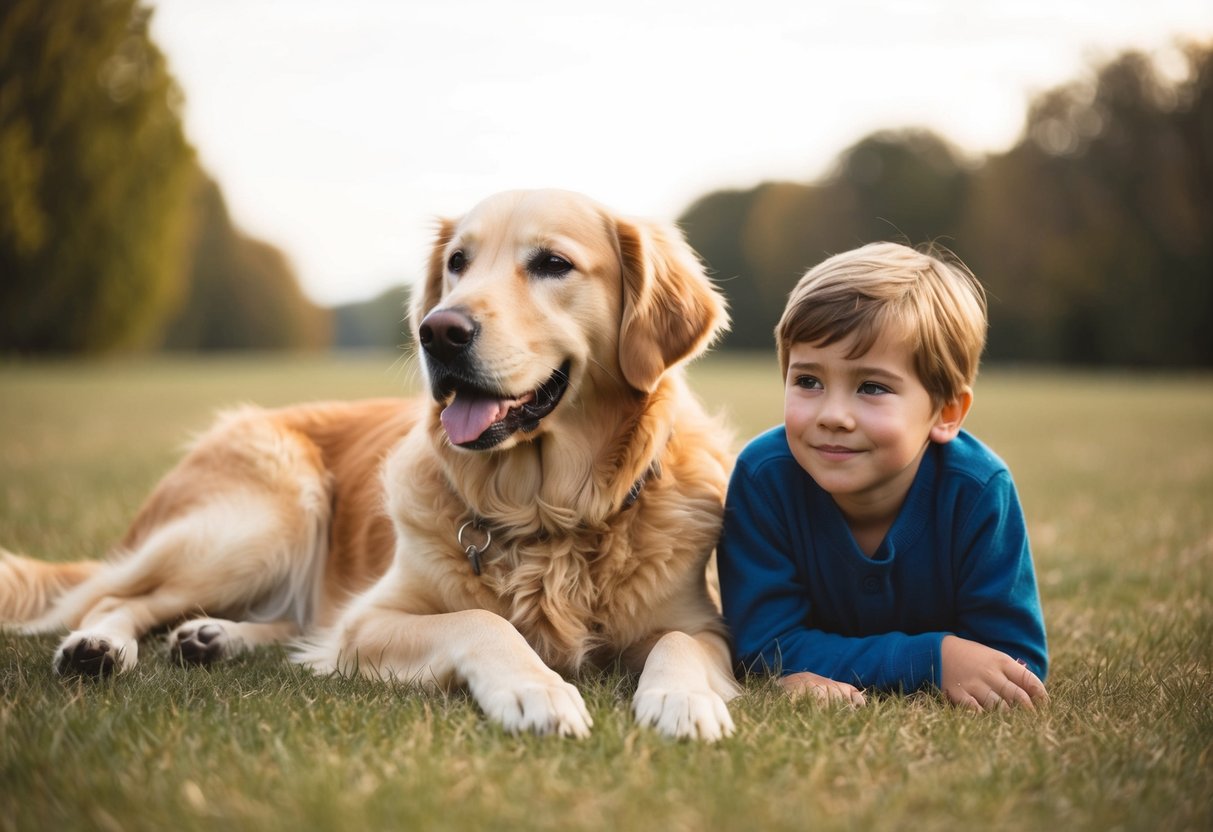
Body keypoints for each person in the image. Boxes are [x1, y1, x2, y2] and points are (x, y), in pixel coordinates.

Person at [716, 242, 1048, 711]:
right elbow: (762, 649)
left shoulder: (977, 490)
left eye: (871, 387)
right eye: (808, 381)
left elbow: (1014, 665)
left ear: (946, 412)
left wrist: (945, 660)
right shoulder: (764, 478)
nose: (833, 415)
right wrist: (931, 659)